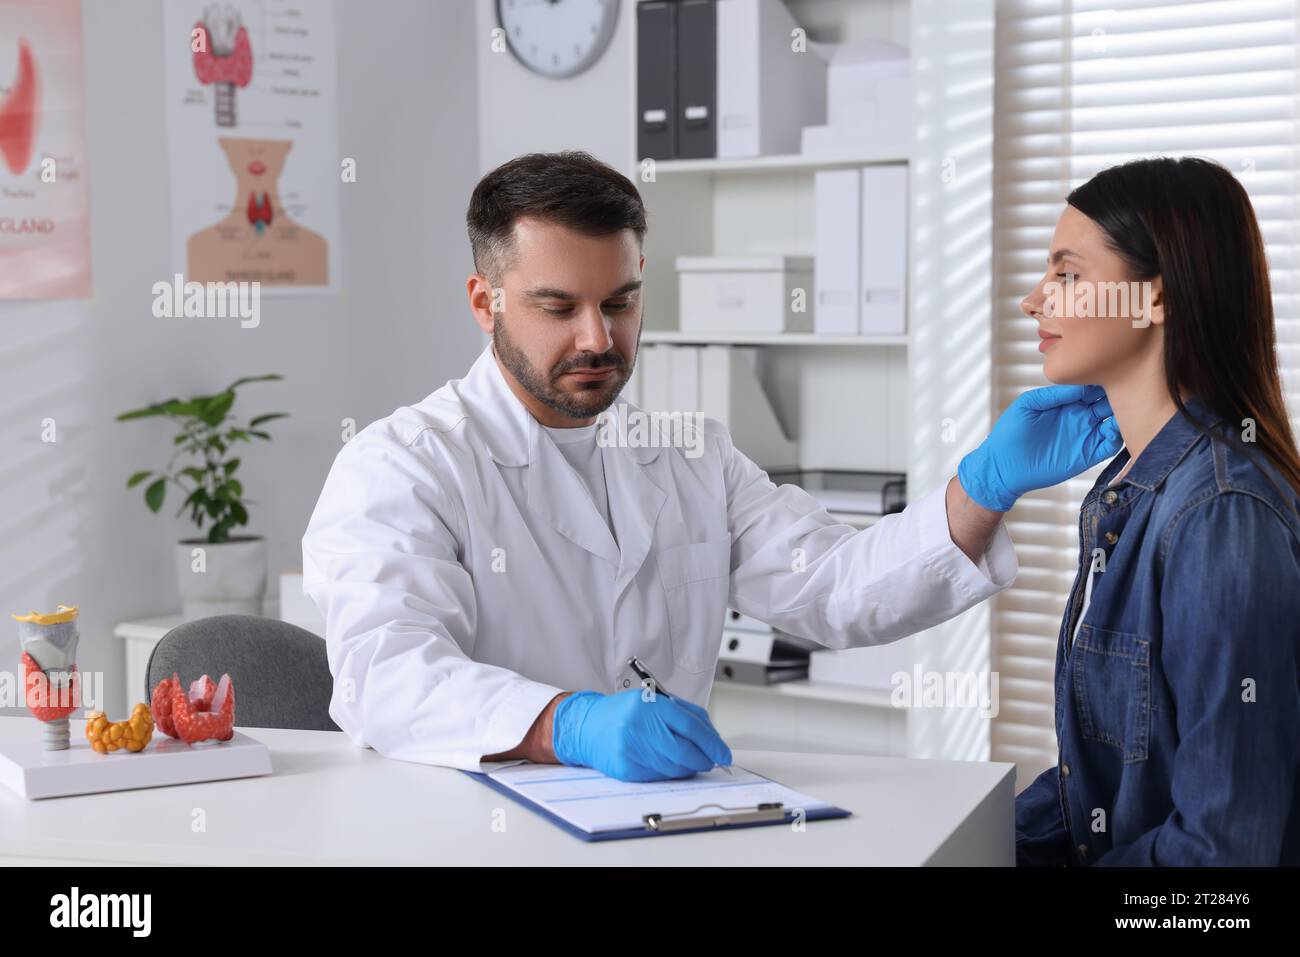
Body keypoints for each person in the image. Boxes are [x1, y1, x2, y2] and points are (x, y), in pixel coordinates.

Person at [301, 150, 1118, 782]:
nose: (598, 337)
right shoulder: (403, 466)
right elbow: (386, 674)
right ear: (485, 302)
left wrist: (981, 488)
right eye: (558, 307)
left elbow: (832, 588)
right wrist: (567, 722)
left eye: (620, 301)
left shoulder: (690, 456)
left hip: (658, 821)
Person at [1013, 156, 1300, 866]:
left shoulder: (1219, 514)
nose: (1033, 299)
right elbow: (1106, 783)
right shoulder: (1130, 487)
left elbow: (1223, 853)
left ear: (1153, 300)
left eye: (1067, 274)